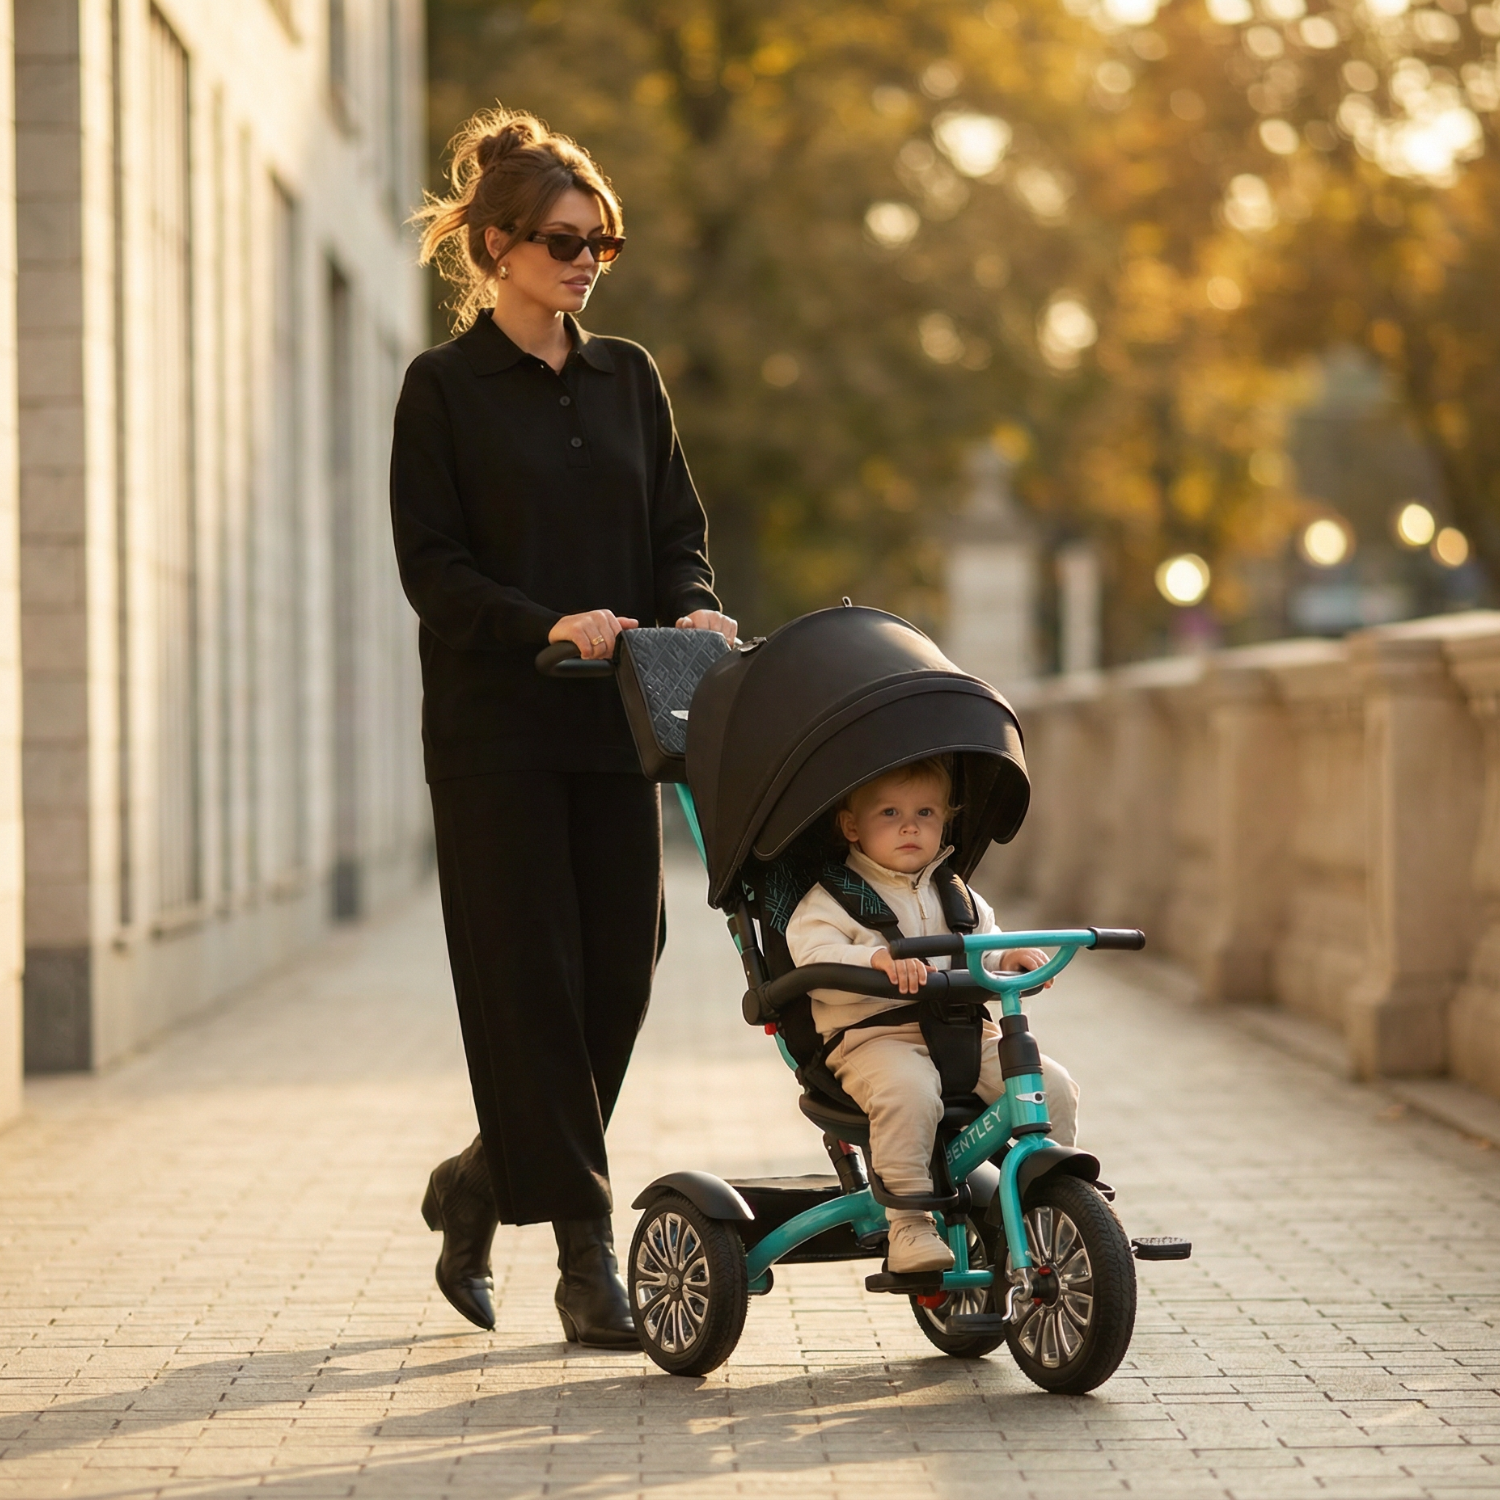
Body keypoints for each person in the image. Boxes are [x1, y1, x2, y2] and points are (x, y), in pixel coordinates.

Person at [392, 106, 735, 1347]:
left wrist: (689, 604)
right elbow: (433, 570)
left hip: (620, 727)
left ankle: (480, 1181)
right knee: (526, 988)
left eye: (602, 242)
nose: (584, 260)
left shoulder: (627, 376)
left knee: (619, 976)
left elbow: (676, 529)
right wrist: (551, 623)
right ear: (494, 247)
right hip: (494, 734)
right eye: (559, 240)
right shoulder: (441, 391)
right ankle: (588, 1264)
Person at [785, 758, 1080, 1274]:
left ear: (945, 821)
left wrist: (1005, 960)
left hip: (963, 1034)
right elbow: (812, 954)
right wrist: (873, 959)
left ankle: (1054, 1203)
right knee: (909, 1092)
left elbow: (983, 948)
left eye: (925, 812)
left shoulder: (957, 893)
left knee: (1050, 1085)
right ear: (852, 826)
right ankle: (910, 1224)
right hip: (874, 1039)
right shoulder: (830, 900)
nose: (909, 826)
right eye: (890, 813)